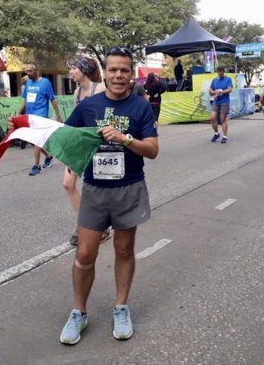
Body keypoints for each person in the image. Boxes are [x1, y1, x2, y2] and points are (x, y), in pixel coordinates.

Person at [59, 47, 158, 345]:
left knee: (124, 251)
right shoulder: (90, 106)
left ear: (131, 75)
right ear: (105, 72)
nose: (118, 75)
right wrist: (25, 127)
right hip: (95, 190)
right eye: (113, 70)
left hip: (129, 188)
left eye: (124, 70)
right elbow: (67, 138)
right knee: (85, 254)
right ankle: (79, 312)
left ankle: (121, 307)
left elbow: (152, 150)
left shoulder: (140, 107)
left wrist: (125, 138)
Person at [64, 56, 106, 246]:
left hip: (98, 145)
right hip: (80, 144)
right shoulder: (77, 92)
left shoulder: (101, 89)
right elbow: (76, 120)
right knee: (68, 184)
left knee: (96, 189)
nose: (70, 72)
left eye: (73, 68)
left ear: (84, 69)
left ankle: (98, 227)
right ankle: (85, 224)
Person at [18, 62, 61, 176]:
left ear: (36, 71)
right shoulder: (28, 83)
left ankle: (36, 166)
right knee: (33, 141)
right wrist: (18, 113)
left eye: (30, 71)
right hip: (30, 116)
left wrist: (58, 115)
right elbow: (25, 101)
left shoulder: (45, 82)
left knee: (37, 140)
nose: (28, 73)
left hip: (41, 115)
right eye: (26, 71)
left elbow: (52, 99)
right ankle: (48, 156)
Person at [209, 66, 233, 144]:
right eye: (218, 72)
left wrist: (221, 92)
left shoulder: (228, 79)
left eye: (221, 72)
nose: (219, 73)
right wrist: (214, 92)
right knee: (212, 118)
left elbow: (230, 89)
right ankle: (216, 134)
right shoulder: (215, 80)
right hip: (216, 101)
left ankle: (225, 136)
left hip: (224, 101)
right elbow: (210, 90)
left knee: (223, 119)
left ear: (223, 72)